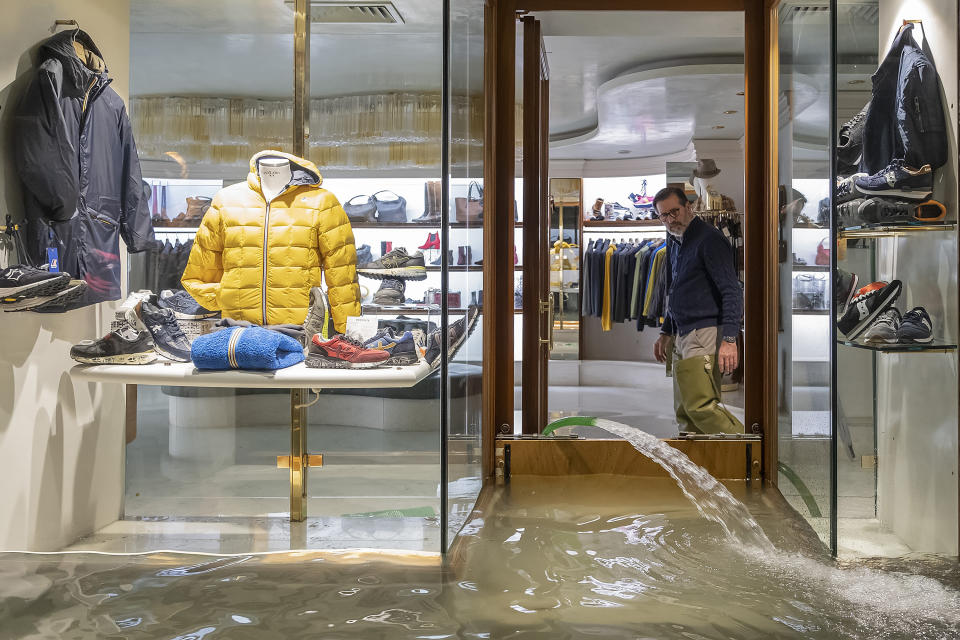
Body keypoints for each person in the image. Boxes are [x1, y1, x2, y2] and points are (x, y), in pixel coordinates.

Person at [652, 186, 744, 434]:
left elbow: (731, 290)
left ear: (688, 207)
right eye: (664, 216)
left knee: (701, 406)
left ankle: (749, 454)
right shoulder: (675, 242)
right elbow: (677, 290)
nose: (671, 220)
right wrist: (666, 332)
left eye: (675, 212)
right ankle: (695, 467)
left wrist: (729, 338)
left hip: (703, 332)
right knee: (685, 412)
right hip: (683, 332)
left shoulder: (709, 239)